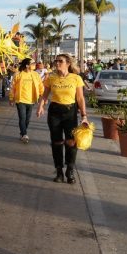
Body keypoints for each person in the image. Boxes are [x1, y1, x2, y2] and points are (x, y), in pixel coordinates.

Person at [36, 53, 88, 184]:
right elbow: (45, 95)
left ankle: (70, 170)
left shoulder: (76, 78)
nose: (57, 63)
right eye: (56, 61)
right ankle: (59, 171)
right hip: (54, 112)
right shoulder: (51, 78)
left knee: (71, 142)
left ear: (68, 63)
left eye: (60, 61)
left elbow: (80, 98)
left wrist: (84, 116)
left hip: (70, 112)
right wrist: (40, 107)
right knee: (56, 142)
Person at [9, 58, 43, 143]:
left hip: (31, 100)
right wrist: (11, 98)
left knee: (27, 119)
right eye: (33, 63)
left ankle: (22, 132)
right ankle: (24, 134)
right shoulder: (18, 74)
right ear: (27, 65)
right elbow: (12, 87)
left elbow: (40, 85)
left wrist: (43, 95)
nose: (35, 64)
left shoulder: (35, 74)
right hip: (20, 100)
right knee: (22, 118)